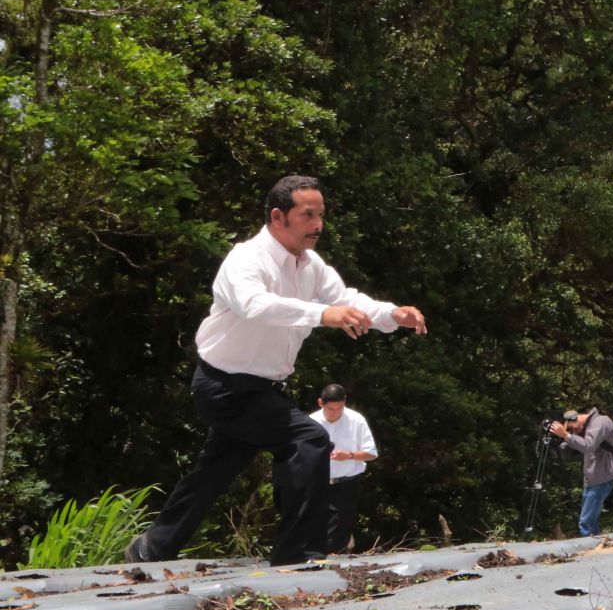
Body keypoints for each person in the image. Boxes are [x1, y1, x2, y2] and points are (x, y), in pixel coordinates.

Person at [126, 176, 427, 566]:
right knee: (309, 440)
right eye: (307, 215)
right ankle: (296, 554)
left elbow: (346, 300)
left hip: (261, 389)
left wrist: (392, 314)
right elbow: (257, 305)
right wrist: (323, 314)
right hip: (223, 386)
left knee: (215, 470)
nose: (318, 225)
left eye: (320, 215)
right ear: (277, 216)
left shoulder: (311, 265)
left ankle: (152, 547)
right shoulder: (245, 260)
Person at [317, 384, 378, 553]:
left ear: (345, 402)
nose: (335, 413)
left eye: (339, 408)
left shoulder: (356, 420)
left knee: (339, 529)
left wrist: (350, 455)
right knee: (314, 525)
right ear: (320, 403)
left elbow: (371, 453)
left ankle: (330, 563)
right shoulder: (312, 421)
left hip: (346, 483)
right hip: (317, 483)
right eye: (331, 409)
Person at [547, 406, 613, 536]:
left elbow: (588, 446)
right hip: (592, 480)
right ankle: (596, 546)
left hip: (602, 477)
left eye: (571, 428)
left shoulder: (600, 422)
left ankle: (593, 550)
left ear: (576, 418)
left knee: (586, 522)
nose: (572, 431)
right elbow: (567, 450)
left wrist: (566, 435)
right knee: (588, 520)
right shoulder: (583, 428)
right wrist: (556, 445)